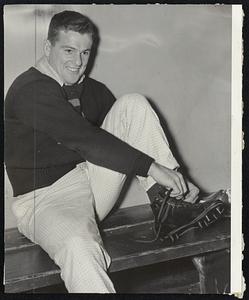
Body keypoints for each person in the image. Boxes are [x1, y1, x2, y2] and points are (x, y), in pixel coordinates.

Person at [5, 10, 225, 293]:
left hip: (90, 183)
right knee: (79, 248)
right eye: (69, 50)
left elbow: (127, 134)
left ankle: (171, 204)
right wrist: (154, 168)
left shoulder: (88, 88)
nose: (78, 62)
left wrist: (176, 178)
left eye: (85, 52)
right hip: (46, 200)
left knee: (132, 104)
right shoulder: (29, 90)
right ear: (48, 48)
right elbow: (88, 140)